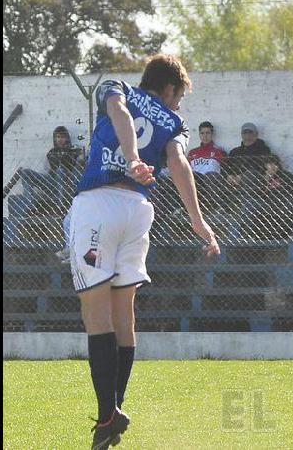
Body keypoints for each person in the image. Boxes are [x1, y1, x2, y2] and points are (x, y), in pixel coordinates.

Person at [68, 54, 221, 449]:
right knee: (124, 313)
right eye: (180, 95)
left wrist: (132, 157)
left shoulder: (118, 88)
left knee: (95, 313)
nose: (179, 104)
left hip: (99, 205)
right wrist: (197, 221)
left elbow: (118, 111)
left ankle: (107, 415)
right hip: (138, 211)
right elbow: (179, 162)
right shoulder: (175, 124)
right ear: (169, 88)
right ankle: (113, 409)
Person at [20, 126, 86, 213]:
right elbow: (47, 170)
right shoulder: (51, 153)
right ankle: (30, 205)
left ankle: (61, 205)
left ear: (67, 138)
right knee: (25, 173)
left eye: (62, 137)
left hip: (69, 183)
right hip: (52, 183)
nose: (60, 139)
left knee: (60, 171)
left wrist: (80, 157)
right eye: (58, 137)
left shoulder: (74, 151)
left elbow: (79, 169)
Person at [225, 122, 272, 187]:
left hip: (254, 183)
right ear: (241, 134)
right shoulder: (234, 152)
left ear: (256, 134)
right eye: (245, 132)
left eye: (250, 132)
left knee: (250, 175)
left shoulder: (263, 149)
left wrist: (242, 177)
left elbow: (260, 167)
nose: (247, 134)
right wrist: (229, 176)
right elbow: (226, 166)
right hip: (233, 183)